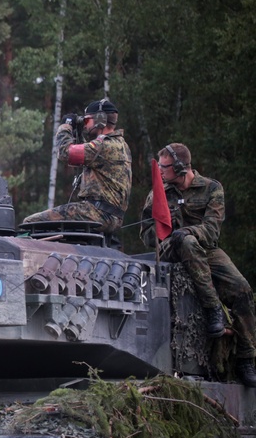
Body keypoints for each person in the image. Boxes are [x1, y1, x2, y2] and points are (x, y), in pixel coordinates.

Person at [140, 143, 256, 387]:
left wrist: (188, 231)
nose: (160, 171)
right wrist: (164, 230)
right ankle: (213, 308)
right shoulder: (160, 192)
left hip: (206, 249)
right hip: (171, 248)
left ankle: (246, 358)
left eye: (165, 167)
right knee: (186, 242)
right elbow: (146, 234)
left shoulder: (211, 188)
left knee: (242, 289)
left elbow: (212, 231)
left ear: (180, 167)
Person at [22, 98, 132, 237]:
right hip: (110, 216)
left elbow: (65, 153)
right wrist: (78, 132)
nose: (85, 125)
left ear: (100, 120)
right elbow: (83, 156)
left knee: (30, 223)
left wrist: (65, 126)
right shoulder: (120, 144)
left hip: (97, 213)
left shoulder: (103, 146)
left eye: (87, 120)